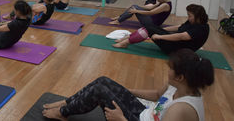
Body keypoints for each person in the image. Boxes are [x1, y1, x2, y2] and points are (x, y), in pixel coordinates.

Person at [42, 48, 214, 121]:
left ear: (181, 77)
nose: (167, 70)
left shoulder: (181, 109)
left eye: (170, 69)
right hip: (143, 114)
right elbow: (155, 95)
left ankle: (63, 113)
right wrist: (124, 91)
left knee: (99, 90)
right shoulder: (177, 86)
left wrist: (121, 119)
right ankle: (67, 102)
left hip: (133, 119)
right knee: (104, 81)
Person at [113, 4, 209, 54]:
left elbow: (182, 36)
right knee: (151, 26)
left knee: (150, 29)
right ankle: (125, 39)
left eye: (190, 16)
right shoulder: (194, 21)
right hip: (178, 44)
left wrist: (160, 36)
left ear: (198, 16)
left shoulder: (201, 28)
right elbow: (179, 27)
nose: (188, 17)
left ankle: (124, 43)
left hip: (178, 50)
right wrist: (160, 29)